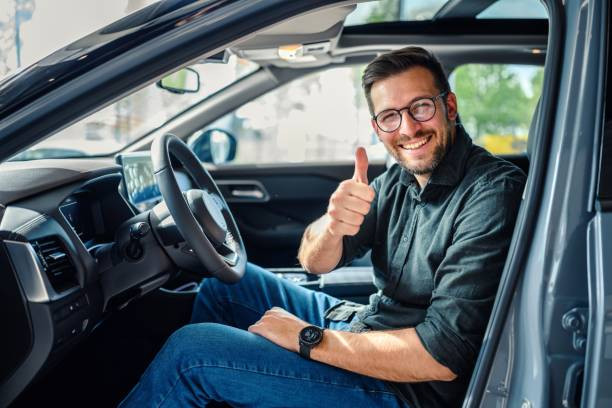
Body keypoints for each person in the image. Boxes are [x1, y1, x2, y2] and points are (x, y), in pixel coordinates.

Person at [120, 46, 526, 408]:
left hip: (405, 389)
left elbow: (440, 358)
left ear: (449, 107)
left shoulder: (490, 193)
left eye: (421, 107)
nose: (407, 129)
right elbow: (314, 263)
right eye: (390, 116)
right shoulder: (396, 180)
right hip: (365, 323)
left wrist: (307, 338)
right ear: (377, 127)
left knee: (193, 353)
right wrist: (331, 227)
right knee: (226, 287)